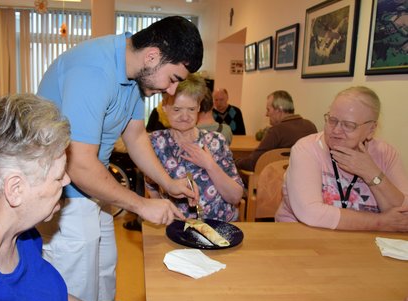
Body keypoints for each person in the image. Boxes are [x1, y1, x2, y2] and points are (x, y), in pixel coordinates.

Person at [36, 16, 202, 301]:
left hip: (92, 188)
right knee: (78, 293)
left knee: (104, 276)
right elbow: (78, 164)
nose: (172, 91)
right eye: (173, 79)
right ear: (153, 55)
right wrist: (140, 205)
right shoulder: (93, 71)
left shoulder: (134, 72)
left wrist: (168, 183)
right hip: (61, 193)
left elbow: (136, 136)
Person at [0, 94, 124, 301]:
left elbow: (35, 288)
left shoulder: (13, 221)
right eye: (58, 177)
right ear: (15, 189)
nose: (67, 180)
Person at [275, 86, 408, 231]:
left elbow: (403, 215)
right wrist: (380, 222)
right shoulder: (306, 149)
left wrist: (372, 174)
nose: (336, 130)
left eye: (348, 125)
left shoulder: (386, 154)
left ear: (371, 130)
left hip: (365, 245)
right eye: (332, 120)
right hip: (304, 240)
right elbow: (311, 213)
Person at [147, 74, 244, 222]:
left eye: (191, 109)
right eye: (177, 109)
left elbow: (235, 197)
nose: (185, 116)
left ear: (198, 108)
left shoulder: (215, 141)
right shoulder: (155, 142)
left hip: (219, 225)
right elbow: (151, 186)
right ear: (165, 107)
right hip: (176, 226)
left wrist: (210, 165)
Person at [236, 90, 317, 171]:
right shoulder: (311, 126)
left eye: (268, 109)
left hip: (276, 179)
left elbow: (253, 163)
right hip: (305, 177)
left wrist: (235, 162)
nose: (266, 114)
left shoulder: (276, 131)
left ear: (279, 110)